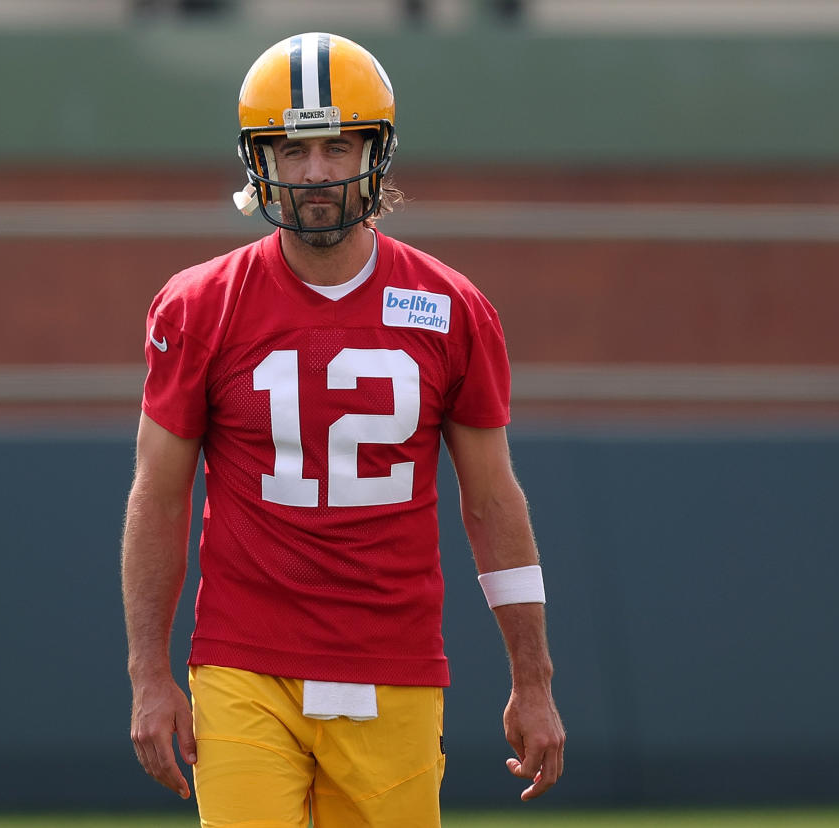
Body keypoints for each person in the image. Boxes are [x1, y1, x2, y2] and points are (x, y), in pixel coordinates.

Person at [122, 32, 564, 827]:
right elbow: (158, 496)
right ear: (260, 160)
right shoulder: (198, 306)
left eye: (337, 146)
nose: (317, 173)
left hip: (392, 666)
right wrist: (148, 673)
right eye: (293, 150)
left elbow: (493, 502)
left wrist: (532, 677)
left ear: (377, 151)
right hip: (243, 663)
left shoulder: (451, 309)